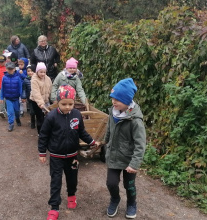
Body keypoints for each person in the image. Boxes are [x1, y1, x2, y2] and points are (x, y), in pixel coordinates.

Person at [38, 84, 99, 220]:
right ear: (57, 102)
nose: (67, 107)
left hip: (72, 155)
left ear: (74, 103)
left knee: (72, 179)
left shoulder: (77, 114)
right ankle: (54, 207)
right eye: (64, 104)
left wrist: (91, 142)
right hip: (56, 156)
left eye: (70, 104)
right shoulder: (51, 116)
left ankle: (71, 195)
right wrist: (42, 153)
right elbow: (43, 136)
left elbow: (81, 131)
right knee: (56, 181)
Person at [103, 78, 146, 219]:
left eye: (118, 99)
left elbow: (140, 144)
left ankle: (132, 203)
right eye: (113, 98)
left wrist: (134, 164)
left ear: (127, 101)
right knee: (111, 183)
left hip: (128, 159)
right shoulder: (113, 112)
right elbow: (109, 129)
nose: (114, 102)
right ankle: (115, 199)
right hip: (114, 155)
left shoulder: (135, 120)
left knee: (130, 185)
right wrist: (105, 142)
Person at [30, 62, 52, 134]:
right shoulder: (34, 80)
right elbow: (36, 93)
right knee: (40, 118)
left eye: (44, 72)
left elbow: (51, 89)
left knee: (48, 117)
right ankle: (41, 134)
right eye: (41, 72)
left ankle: (48, 132)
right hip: (36, 102)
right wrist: (40, 103)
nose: (43, 74)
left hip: (46, 100)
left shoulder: (48, 79)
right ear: (37, 71)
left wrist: (53, 99)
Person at [0, 61, 23, 131]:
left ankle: (18, 118)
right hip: (8, 98)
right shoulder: (4, 78)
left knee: (17, 110)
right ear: (6, 69)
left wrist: (22, 96)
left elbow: (20, 87)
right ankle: (11, 124)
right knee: (10, 111)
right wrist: (1, 97)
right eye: (8, 69)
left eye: (11, 69)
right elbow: (2, 88)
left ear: (14, 69)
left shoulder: (18, 77)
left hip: (16, 98)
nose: (10, 70)